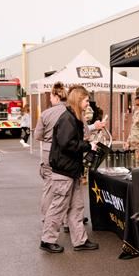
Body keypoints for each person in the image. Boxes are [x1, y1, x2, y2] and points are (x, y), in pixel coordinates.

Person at [40, 84, 98, 253]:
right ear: (79, 100)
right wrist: (88, 146)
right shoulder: (68, 119)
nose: (88, 103)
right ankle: (47, 240)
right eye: (87, 100)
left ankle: (80, 241)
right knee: (59, 207)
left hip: (71, 170)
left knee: (77, 207)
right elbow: (67, 144)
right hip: (64, 171)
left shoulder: (73, 118)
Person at [34, 83, 68, 220]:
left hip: (49, 152)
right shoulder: (73, 112)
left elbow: (37, 136)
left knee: (49, 186)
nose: (49, 99)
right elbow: (84, 132)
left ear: (56, 96)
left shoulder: (45, 114)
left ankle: (46, 217)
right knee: (67, 187)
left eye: (50, 96)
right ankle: (67, 220)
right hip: (67, 153)